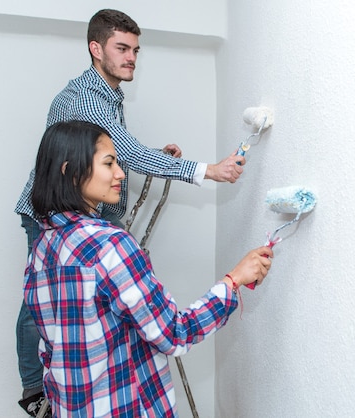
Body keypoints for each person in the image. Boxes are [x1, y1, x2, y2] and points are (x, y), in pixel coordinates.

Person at [14, 9, 246, 415]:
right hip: (54, 215)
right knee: (44, 314)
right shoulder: (85, 97)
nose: (131, 57)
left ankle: (64, 395)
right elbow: (173, 333)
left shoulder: (106, 96)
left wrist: (152, 157)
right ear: (95, 47)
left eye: (136, 50)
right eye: (122, 48)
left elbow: (118, 151)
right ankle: (36, 393)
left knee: (73, 317)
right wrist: (207, 170)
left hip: (80, 220)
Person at [23, 120, 272, 417]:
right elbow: (174, 333)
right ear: (70, 171)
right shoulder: (110, 246)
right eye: (109, 163)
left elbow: (50, 349)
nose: (120, 173)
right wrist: (233, 281)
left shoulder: (42, 248)